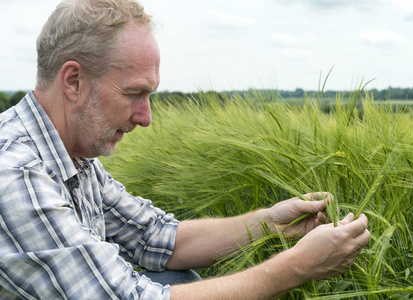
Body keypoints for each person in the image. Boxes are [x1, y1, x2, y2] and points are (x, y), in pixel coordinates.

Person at [0, 0, 370, 299]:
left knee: (178, 278)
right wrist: (298, 267)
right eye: (134, 94)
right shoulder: (16, 173)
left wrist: (270, 223)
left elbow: (155, 237)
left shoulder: (74, 156)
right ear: (74, 81)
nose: (146, 118)